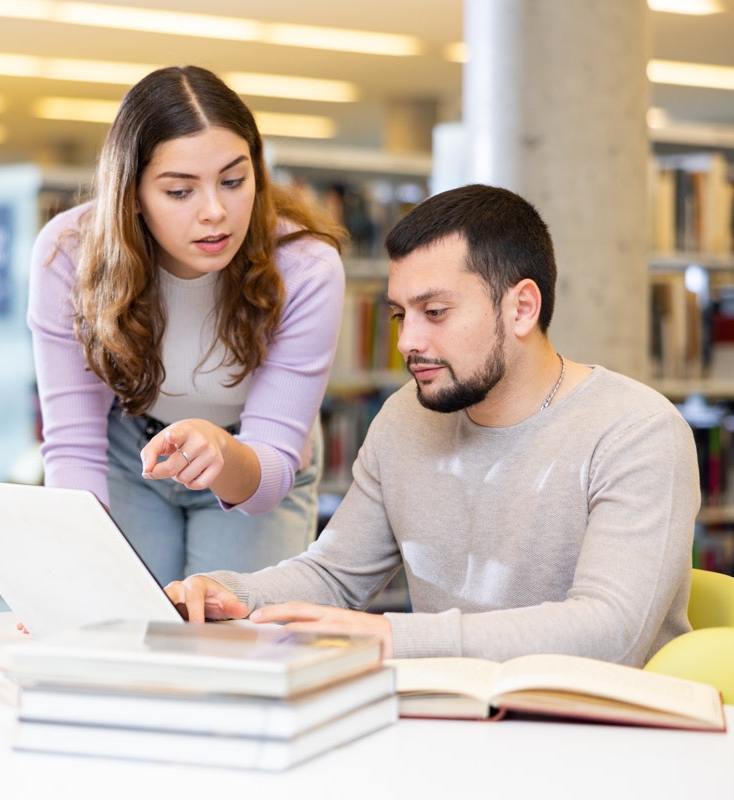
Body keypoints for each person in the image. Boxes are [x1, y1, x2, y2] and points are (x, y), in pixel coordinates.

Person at [166, 183, 700, 668]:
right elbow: (334, 575)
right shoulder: (406, 416)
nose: (407, 342)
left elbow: (612, 632)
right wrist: (229, 593)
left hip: (610, 729)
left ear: (522, 308)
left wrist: (395, 638)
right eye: (401, 315)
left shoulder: (638, 432)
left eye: (436, 312)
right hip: (456, 719)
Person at [28, 65, 347, 585]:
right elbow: (74, 448)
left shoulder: (305, 267)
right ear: (132, 194)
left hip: (251, 454)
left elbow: (268, 476)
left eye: (233, 181)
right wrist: (70, 583)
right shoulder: (69, 253)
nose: (215, 212)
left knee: (237, 626)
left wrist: (221, 452)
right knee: (119, 619)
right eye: (180, 191)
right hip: (128, 449)